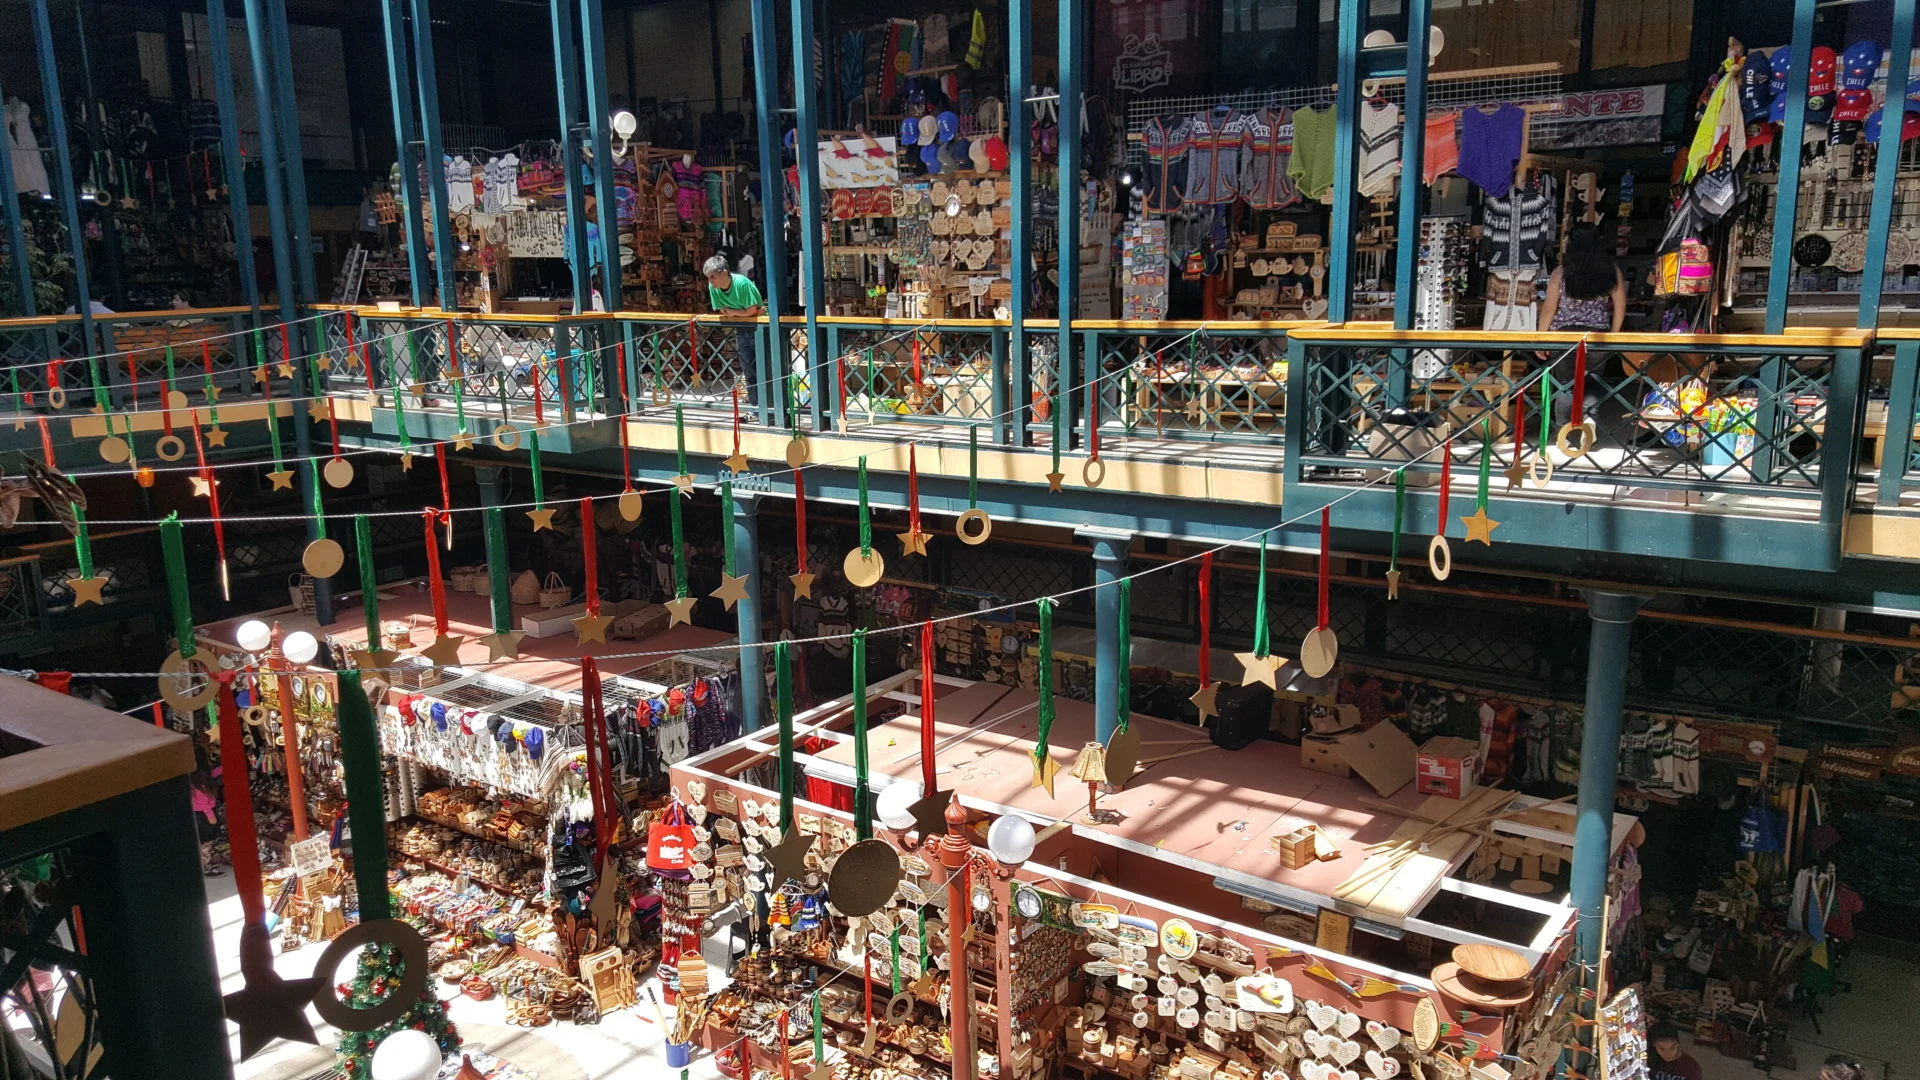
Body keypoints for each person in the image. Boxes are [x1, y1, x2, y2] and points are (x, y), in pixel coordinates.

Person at [1537, 224, 1625, 429]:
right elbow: (1620, 307)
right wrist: (1613, 336)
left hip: (1564, 336)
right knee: (1592, 384)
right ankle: (1589, 423)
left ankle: (1562, 430)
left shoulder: (1561, 272)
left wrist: (1541, 339)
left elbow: (1549, 308)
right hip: (1597, 336)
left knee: (1565, 384)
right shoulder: (1611, 270)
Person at [704, 254, 764, 407]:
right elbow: (722, 310)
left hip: (760, 328)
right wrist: (739, 313)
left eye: (713, 277)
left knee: (764, 369)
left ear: (724, 273)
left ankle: (768, 407)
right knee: (749, 371)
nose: (710, 281)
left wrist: (733, 312)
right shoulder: (713, 287)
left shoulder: (741, 283)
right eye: (708, 277)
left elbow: (752, 310)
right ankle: (755, 407)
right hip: (741, 329)